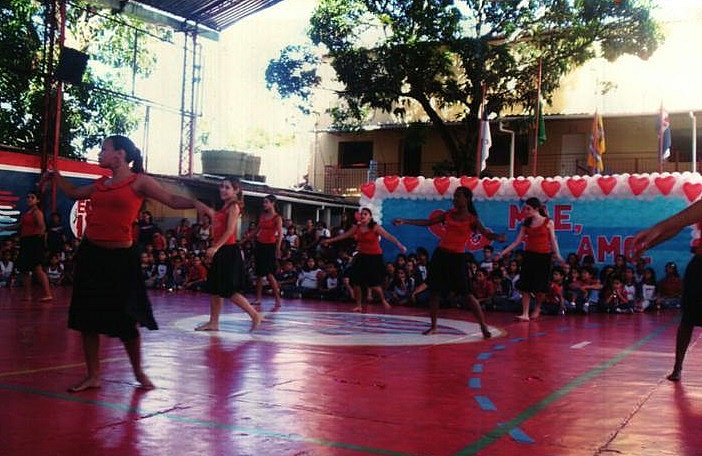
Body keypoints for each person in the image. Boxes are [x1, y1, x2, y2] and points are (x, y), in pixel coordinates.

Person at [45, 134, 208, 392]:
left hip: (121, 260)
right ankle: (93, 376)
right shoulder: (100, 184)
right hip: (91, 255)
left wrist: (197, 203)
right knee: (87, 319)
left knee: (126, 320)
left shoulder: (139, 182)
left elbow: (171, 199)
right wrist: (56, 176)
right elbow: (74, 193)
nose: (99, 153)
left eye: (104, 149)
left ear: (120, 155)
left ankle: (139, 372)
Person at [393, 186, 504, 336]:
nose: (455, 199)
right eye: (454, 196)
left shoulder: (472, 219)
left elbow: (486, 234)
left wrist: (497, 237)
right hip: (441, 256)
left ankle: (483, 326)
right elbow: (428, 222)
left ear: (467, 199)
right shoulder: (448, 214)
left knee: (467, 294)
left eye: (458, 196)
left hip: (457, 258)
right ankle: (434, 326)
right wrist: (405, 221)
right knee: (434, 291)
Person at [633, 203, 702, 382]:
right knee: (687, 320)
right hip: (700, 264)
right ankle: (678, 366)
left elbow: (682, 219)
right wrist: (649, 244)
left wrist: (657, 228)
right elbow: (679, 224)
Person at [194, 177, 262, 332]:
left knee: (228, 291)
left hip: (228, 251)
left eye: (227, 187)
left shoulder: (234, 206)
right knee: (215, 289)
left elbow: (230, 231)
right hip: (221, 250)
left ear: (235, 190)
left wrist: (215, 247)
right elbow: (215, 218)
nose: (222, 190)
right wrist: (202, 207)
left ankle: (254, 314)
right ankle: (214, 322)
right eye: (221, 186)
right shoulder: (224, 206)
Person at [323, 207, 407, 312]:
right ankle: (359, 305)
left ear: (370, 217)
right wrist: (329, 240)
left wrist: (399, 245)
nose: (363, 215)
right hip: (362, 256)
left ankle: (383, 299)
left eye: (365, 214)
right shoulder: (356, 227)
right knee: (356, 282)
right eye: (362, 214)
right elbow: (344, 235)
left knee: (374, 284)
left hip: (374, 257)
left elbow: (388, 236)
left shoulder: (375, 227)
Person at [499, 197, 563, 321]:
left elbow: (553, 240)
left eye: (528, 209)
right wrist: (502, 253)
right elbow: (517, 242)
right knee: (525, 286)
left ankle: (538, 307)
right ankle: (525, 313)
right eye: (525, 209)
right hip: (529, 256)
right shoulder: (526, 224)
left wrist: (558, 255)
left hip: (543, 257)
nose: (526, 211)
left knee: (540, 287)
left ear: (536, 209)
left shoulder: (548, 222)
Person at [16, 190, 53, 301]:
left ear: (37, 200)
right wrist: (4, 228)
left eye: (32, 197)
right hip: (26, 241)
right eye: (28, 197)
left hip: (33, 242)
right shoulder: (27, 213)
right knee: (24, 269)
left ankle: (48, 294)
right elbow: (19, 225)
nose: (29, 199)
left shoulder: (37, 212)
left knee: (37, 268)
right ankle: (27, 295)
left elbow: (42, 227)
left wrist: (38, 241)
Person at [251, 195, 283, 308]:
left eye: (266, 202)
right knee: (259, 274)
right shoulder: (262, 215)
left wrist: (278, 248)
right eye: (263, 202)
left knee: (269, 274)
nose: (264, 204)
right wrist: (245, 239)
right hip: (260, 245)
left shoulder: (277, 217)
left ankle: (278, 299)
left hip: (270, 246)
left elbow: (280, 234)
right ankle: (258, 299)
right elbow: (256, 230)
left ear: (272, 203)